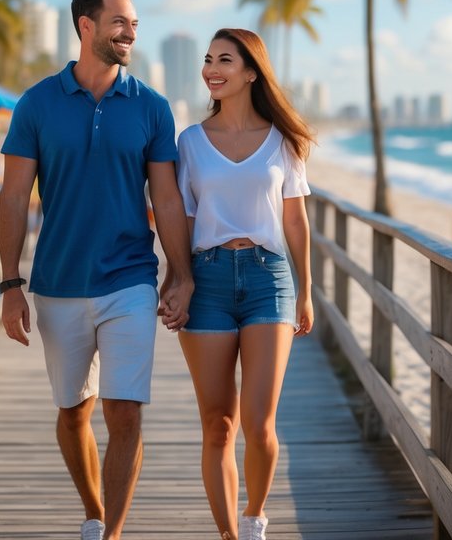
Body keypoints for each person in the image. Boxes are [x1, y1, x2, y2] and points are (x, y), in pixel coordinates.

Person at [0, 0, 193, 540]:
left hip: (129, 277)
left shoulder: (152, 108)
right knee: (73, 411)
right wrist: (11, 284)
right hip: (57, 281)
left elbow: (168, 198)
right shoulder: (36, 103)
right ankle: (92, 511)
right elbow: (13, 197)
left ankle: (112, 535)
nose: (131, 31)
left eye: (134, 23)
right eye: (120, 22)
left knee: (125, 411)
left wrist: (180, 274)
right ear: (87, 26)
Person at [174, 28, 313, 540]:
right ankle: (230, 535)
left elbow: (295, 222)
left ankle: (255, 515)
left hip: (268, 280)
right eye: (208, 60)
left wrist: (306, 290)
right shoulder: (189, 142)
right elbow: (181, 219)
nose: (212, 68)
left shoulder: (284, 142)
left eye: (224, 60)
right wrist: (178, 279)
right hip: (206, 280)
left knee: (260, 426)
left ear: (251, 71)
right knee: (218, 424)